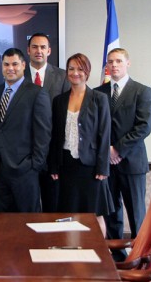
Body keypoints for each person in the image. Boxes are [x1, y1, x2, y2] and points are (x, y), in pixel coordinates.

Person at [95, 48, 151, 260]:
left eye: (119, 61)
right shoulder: (98, 92)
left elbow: (143, 127)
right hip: (106, 164)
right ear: (106, 66)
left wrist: (118, 149)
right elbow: (94, 128)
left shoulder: (142, 91)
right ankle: (118, 257)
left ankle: (142, 257)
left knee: (137, 214)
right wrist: (107, 151)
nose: (114, 65)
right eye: (110, 62)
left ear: (127, 63)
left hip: (132, 163)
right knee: (112, 214)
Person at [48, 53, 113, 237]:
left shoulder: (99, 99)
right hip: (66, 165)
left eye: (79, 69)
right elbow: (55, 135)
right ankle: (74, 253)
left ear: (87, 72)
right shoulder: (59, 101)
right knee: (69, 214)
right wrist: (53, 164)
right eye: (71, 69)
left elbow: (104, 134)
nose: (75, 73)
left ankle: (100, 253)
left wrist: (103, 166)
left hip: (91, 167)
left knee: (95, 213)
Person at [0, 48, 51, 212]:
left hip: (25, 170)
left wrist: (35, 164)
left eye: (15, 64)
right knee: (3, 221)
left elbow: (43, 134)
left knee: (28, 219)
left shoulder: (37, 93)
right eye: (6, 64)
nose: (10, 68)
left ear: (23, 65)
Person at [26, 32, 70, 212]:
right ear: (28, 50)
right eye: (35, 47)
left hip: (54, 152)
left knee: (53, 205)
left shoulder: (63, 76)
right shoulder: (18, 76)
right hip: (26, 153)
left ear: (49, 51)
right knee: (29, 206)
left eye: (43, 47)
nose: (39, 51)